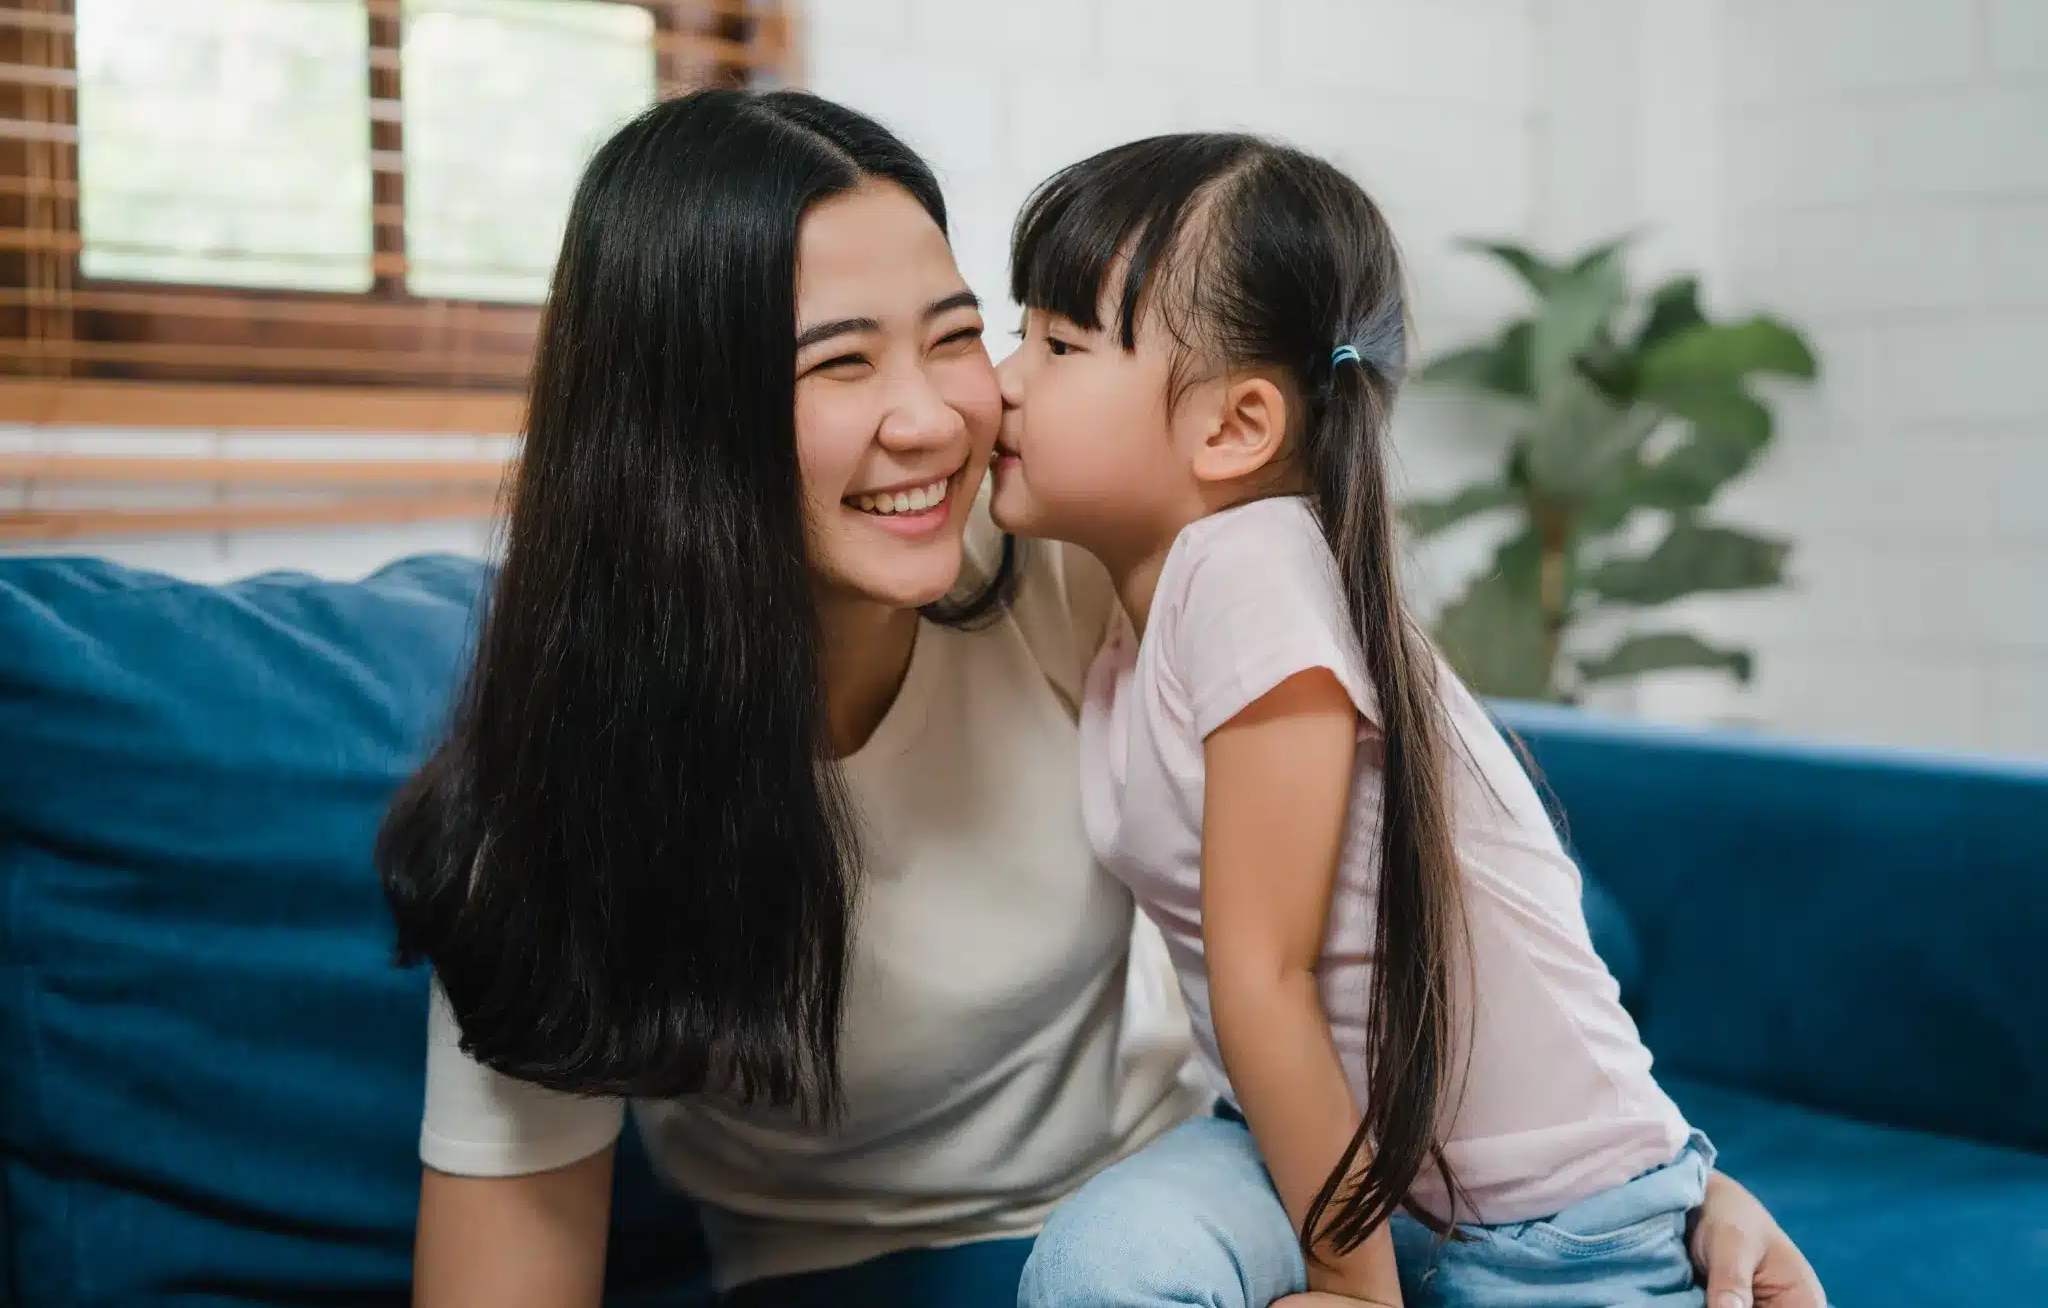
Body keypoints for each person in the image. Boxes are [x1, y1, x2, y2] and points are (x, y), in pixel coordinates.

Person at [375, 89, 1824, 1308]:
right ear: (675, 422)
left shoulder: (1083, 567)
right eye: (842, 362)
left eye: (959, 333)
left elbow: (1430, 872)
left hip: (1219, 1190)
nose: (943, 410)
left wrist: (1651, 1185)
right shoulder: (563, 789)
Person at [989, 133, 1826, 1308]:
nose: (1001, 378)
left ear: (1233, 429)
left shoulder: (1253, 570)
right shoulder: (1141, 603)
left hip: (1550, 1227)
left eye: (1059, 345)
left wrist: (1350, 1293)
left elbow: (1264, 974)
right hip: (1317, 1159)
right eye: (1015, 328)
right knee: (1099, 1268)